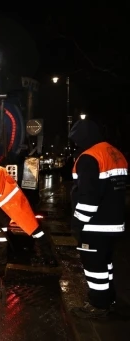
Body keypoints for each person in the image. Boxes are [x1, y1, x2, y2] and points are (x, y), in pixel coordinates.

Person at [68, 119, 127, 319]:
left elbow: (88, 196)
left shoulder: (89, 158)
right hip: (114, 223)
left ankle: (98, 305)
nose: (76, 145)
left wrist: (78, 222)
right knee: (106, 263)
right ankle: (108, 298)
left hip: (95, 225)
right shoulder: (115, 154)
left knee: (94, 266)